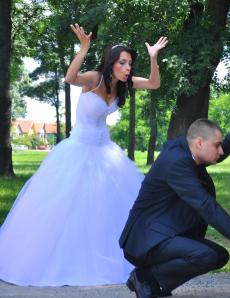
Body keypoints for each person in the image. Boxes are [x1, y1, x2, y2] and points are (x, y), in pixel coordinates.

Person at [0, 24, 168, 286]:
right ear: (112, 62)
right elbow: (69, 78)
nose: (127, 68)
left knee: (109, 208)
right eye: (123, 63)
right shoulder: (94, 78)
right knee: (65, 207)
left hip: (106, 154)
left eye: (130, 64)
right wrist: (84, 48)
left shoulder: (124, 84)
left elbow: (155, 83)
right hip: (77, 150)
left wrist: (154, 57)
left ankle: (115, 256)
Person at [119, 118, 230, 298]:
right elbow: (205, 205)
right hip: (146, 240)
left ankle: (151, 280)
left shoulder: (188, 151)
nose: (221, 151)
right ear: (199, 142)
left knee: (219, 255)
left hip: (166, 232)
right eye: (217, 145)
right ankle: (144, 277)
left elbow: (217, 152)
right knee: (205, 256)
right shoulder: (176, 162)